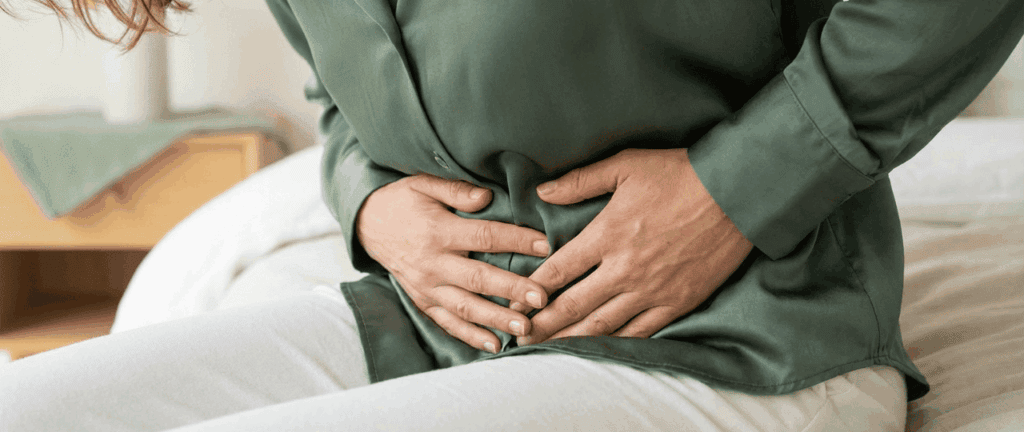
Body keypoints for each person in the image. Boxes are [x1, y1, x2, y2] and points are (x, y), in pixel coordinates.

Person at [2, 0, 1022, 430]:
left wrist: (733, 191)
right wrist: (369, 204)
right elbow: (339, 90)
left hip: (746, 336)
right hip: (434, 327)